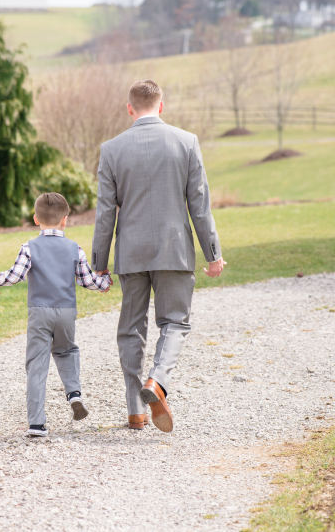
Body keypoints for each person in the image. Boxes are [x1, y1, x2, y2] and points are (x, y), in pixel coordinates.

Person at [91, 80, 226, 433]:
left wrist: (98, 265)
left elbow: (105, 212)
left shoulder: (111, 149)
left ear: (129, 108)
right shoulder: (186, 142)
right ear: (161, 106)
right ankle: (158, 382)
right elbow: (199, 204)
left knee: (131, 329)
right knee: (175, 323)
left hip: (130, 253)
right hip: (174, 249)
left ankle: (136, 408)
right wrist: (213, 253)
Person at [0, 192, 112, 437]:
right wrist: (105, 281)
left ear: (36, 219)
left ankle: (36, 424)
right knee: (67, 350)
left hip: (39, 312)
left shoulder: (29, 247)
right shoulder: (74, 248)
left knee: (37, 365)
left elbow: (14, 276)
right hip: (66, 312)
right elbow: (88, 281)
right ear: (65, 220)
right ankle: (74, 393)